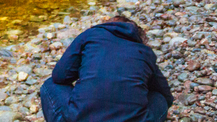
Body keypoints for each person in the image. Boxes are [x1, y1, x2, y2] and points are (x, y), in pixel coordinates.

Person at [39, 15, 172, 122]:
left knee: (50, 85)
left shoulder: (92, 34)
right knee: (159, 98)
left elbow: (59, 76)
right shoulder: (145, 52)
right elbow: (166, 96)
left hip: (81, 118)